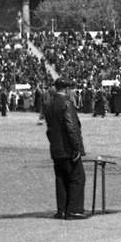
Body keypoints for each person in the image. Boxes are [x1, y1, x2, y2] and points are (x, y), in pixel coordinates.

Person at [43, 78, 87, 220]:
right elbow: (71, 127)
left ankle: (62, 210)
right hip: (67, 148)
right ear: (67, 89)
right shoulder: (67, 103)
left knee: (61, 178)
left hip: (56, 148)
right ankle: (74, 209)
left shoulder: (49, 104)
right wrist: (77, 147)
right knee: (77, 177)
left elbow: (49, 128)